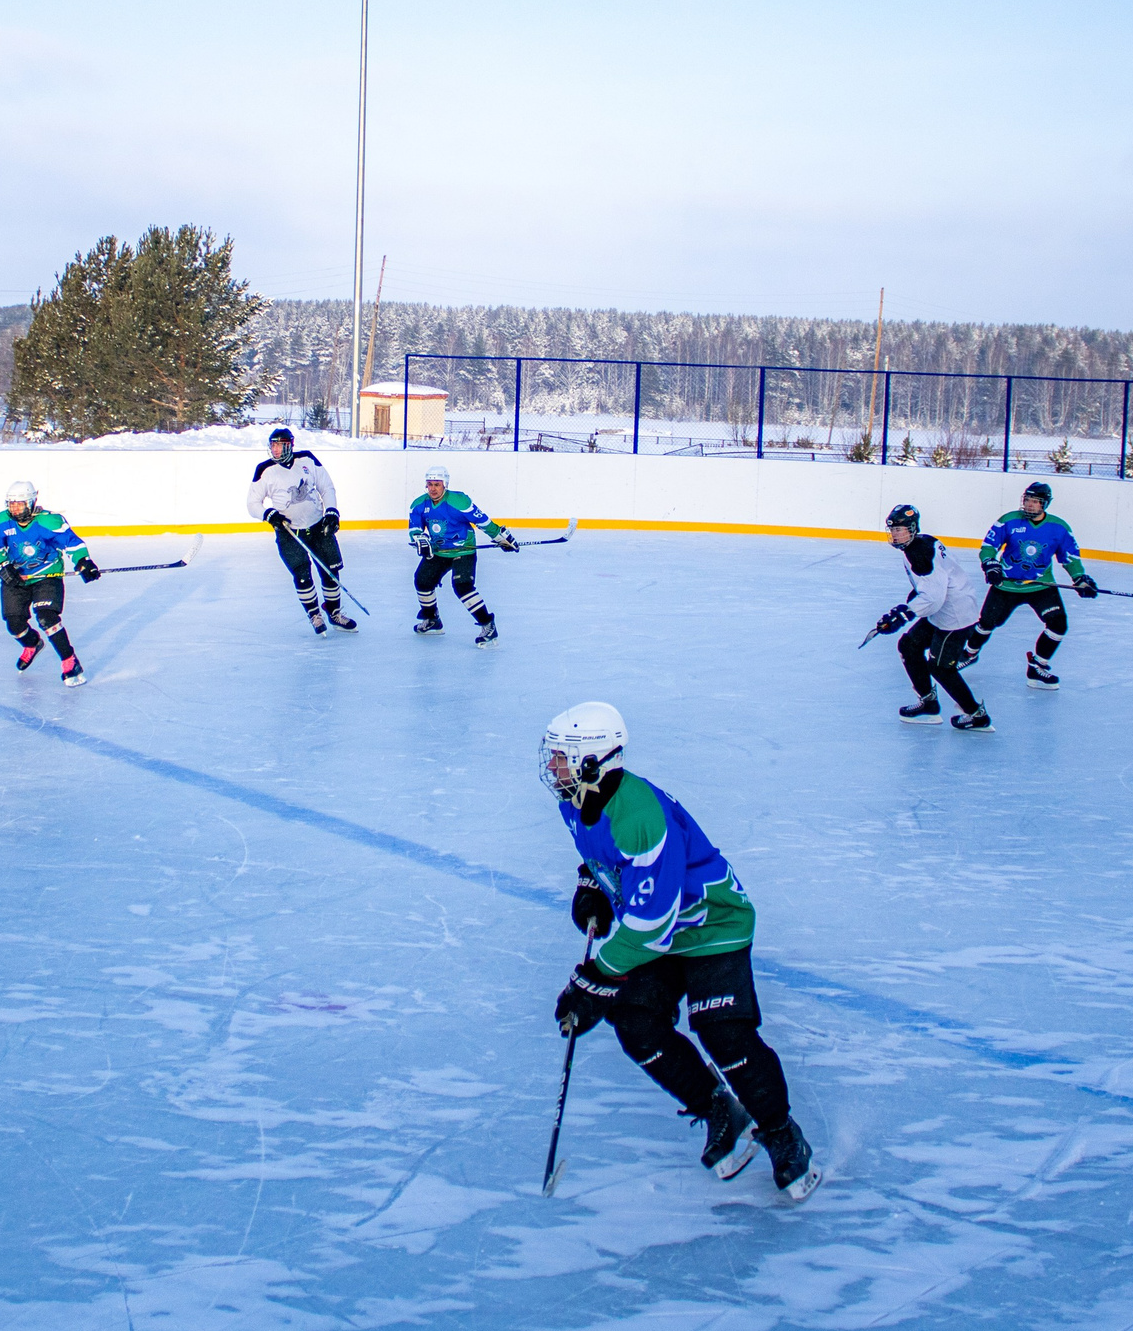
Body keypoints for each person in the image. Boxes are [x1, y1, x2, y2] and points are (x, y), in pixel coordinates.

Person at [539, 701, 821, 1203]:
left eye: (562, 756)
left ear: (592, 761)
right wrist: (592, 884)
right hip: (658, 926)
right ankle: (719, 1109)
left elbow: (650, 927)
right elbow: (605, 855)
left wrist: (594, 980)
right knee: (635, 1023)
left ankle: (780, 1132)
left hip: (711, 926)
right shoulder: (576, 801)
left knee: (723, 1032)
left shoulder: (641, 815)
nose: (553, 765)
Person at [870, 502, 990, 731]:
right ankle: (928, 703)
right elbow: (936, 580)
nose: (895, 535)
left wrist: (905, 614)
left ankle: (976, 715)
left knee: (941, 667)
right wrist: (913, 600)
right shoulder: (924, 542)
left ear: (913, 528)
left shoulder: (918, 553)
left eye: (900, 529)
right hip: (946, 608)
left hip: (954, 616)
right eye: (892, 529)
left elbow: (934, 597)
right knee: (909, 645)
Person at [975, 480, 1097, 688]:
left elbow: (1069, 557)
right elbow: (989, 546)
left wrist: (1079, 578)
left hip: (1041, 586)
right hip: (1007, 585)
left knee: (1058, 624)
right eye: (1028, 500)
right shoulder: (1009, 520)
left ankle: (1037, 667)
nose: (1030, 505)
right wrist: (991, 565)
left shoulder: (1059, 527)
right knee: (986, 623)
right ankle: (969, 653)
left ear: (1045, 504)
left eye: (1035, 501)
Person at [0, 480, 99, 686]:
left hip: (47, 576)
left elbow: (73, 543)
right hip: (17, 579)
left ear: (31, 502)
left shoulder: (49, 522)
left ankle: (70, 661)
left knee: (47, 618)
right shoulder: (1, 522)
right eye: (11, 504)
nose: (15, 509)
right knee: (14, 625)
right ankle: (32, 644)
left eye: (19, 504)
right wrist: (3, 567)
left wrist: (83, 561)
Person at [246, 427, 351, 635]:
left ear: (290, 445)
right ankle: (314, 614)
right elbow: (252, 503)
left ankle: (334, 613)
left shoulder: (307, 459)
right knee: (302, 575)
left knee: (331, 572)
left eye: (279, 445)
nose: (275, 450)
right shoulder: (264, 470)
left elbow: (326, 487)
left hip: (318, 526)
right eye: (273, 445)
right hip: (289, 533)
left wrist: (331, 511)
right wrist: (268, 514)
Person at [406, 466, 515, 646]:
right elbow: (415, 528)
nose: (433, 488)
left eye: (437, 484)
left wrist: (500, 538)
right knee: (422, 580)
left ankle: (488, 625)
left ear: (445, 484)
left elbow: (482, 521)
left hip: (463, 550)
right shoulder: (419, 504)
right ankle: (432, 620)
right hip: (439, 551)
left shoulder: (459, 501)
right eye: (430, 484)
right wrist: (420, 539)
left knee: (462, 585)